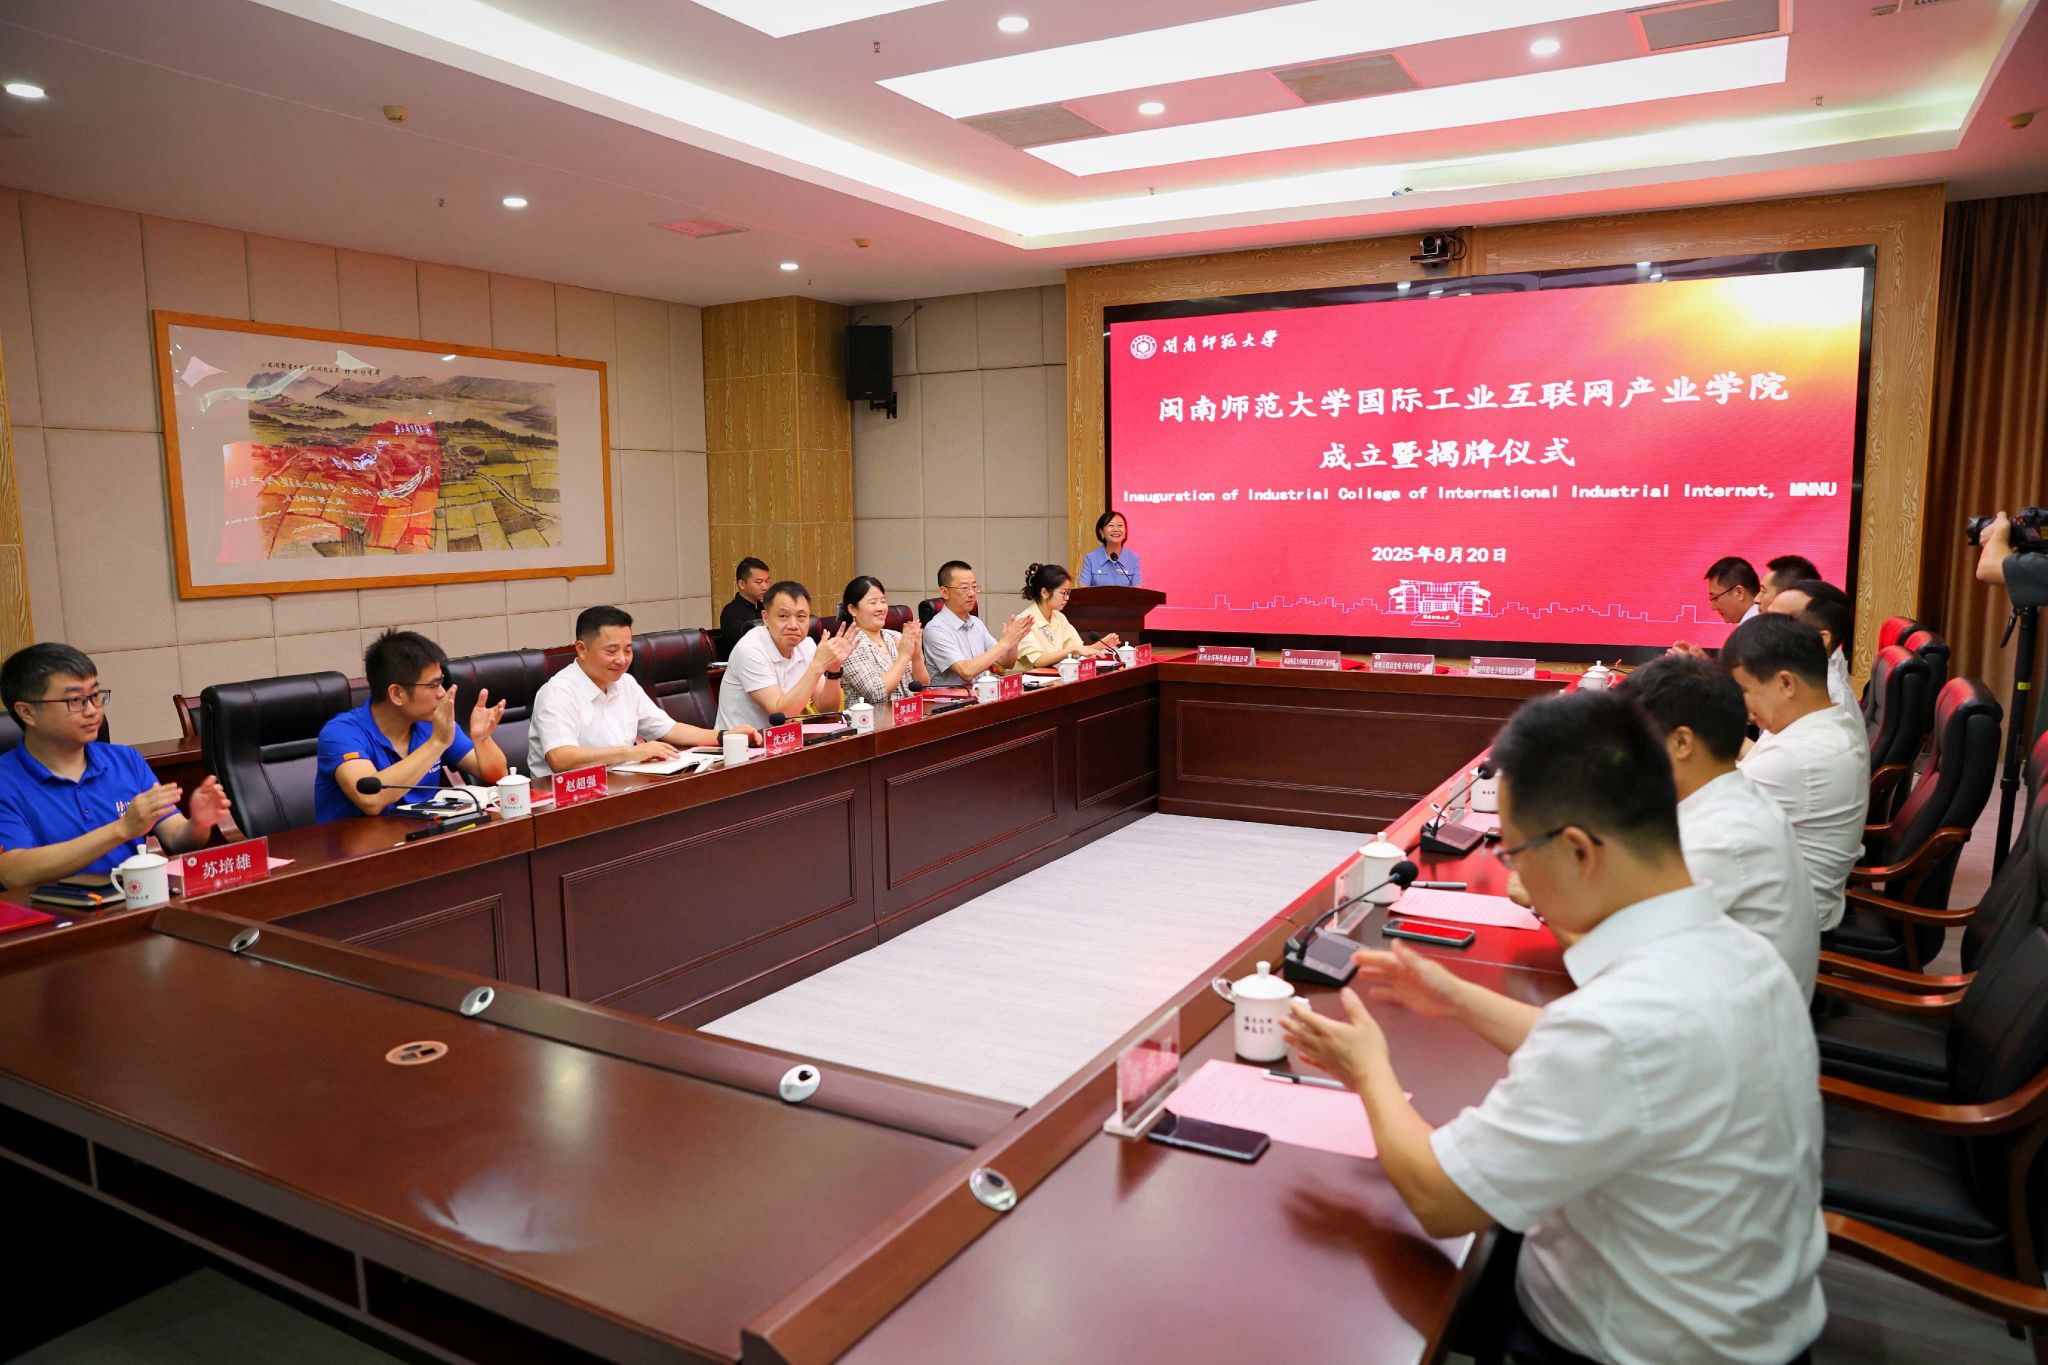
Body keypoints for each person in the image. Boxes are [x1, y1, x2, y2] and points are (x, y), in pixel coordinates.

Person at [1281, 689, 1825, 1365]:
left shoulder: (1620, 1023)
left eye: (1515, 852)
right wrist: (1457, 999)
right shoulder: (1744, 954)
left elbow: (1439, 1198)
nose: (1515, 872)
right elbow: (1623, 1069)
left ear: (1577, 850)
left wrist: (1368, 1070)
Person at [1624, 654, 1820, 999]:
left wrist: (1543, 893)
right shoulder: (1730, 793)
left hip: (1737, 1023)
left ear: (1682, 743)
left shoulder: (1720, 836)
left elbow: (1622, 951)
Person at [0, 643, 234, 887]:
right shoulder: (5, 782)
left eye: (95, 696)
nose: (92, 711)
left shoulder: (125, 760)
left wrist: (198, 823)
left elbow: (177, 839)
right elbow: (14, 872)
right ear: (27, 712)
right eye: (75, 700)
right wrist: (122, 828)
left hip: (134, 899)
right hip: (51, 909)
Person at [1723, 613, 1870, 934]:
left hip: (1779, 926)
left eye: (1744, 690)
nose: (1742, 705)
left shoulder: (1796, 757)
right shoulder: (1824, 722)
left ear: (1786, 683)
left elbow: (1704, 820)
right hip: (1794, 900)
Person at [527, 606, 745, 780]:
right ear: (581, 649)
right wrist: (630, 752)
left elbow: (668, 729)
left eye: (628, 650)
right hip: (567, 800)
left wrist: (725, 736)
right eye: (611, 651)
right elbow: (560, 758)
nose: (622, 660)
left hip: (620, 786)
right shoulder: (557, 693)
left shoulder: (625, 683)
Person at [315, 629, 511, 822]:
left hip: (424, 835)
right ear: (397, 694)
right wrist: (436, 743)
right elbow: (370, 799)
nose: (442, 693)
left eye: (441, 682)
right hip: (358, 842)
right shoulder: (341, 732)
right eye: (433, 685)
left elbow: (496, 776)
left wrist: (482, 739)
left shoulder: (430, 723)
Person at [715, 580, 853, 732]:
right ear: (765, 618)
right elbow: (780, 715)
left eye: (801, 616)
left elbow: (827, 710)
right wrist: (818, 665)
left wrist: (834, 668)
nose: (793, 625)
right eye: (783, 616)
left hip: (785, 738)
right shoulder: (750, 649)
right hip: (741, 742)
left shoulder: (807, 645)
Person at [922, 560, 1030, 686]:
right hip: (950, 698)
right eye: (964, 588)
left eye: (974, 587)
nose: (972, 594)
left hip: (982, 693)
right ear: (944, 592)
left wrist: (1013, 642)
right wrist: (1004, 644)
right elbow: (966, 672)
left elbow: (1006, 663)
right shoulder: (935, 629)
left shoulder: (976, 623)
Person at [1766, 578, 1857, 713]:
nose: (1763, 628)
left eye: (1777, 621)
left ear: (1820, 640)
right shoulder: (1793, 680)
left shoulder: (1827, 700)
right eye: (1765, 617)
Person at [835, 576, 926, 705]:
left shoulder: (896, 636)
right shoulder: (850, 646)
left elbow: (924, 686)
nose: (881, 608)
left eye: (883, 601)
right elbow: (876, 694)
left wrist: (917, 657)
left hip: (910, 712)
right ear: (853, 610)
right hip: (872, 717)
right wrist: (904, 656)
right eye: (873, 603)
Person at [1013, 563, 1121, 671]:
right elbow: (1038, 661)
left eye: (1068, 592)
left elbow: (1078, 650)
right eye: (1063, 593)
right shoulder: (1024, 621)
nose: (1067, 598)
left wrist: (1101, 645)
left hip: (1055, 675)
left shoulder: (1059, 617)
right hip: (1030, 679)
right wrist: (1072, 649)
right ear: (1045, 593)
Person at [718, 557, 772, 661]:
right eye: (759, 582)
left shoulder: (767, 607)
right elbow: (748, 645)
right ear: (742, 584)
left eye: (767, 581)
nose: (765, 587)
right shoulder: (731, 613)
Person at [1079, 511, 1142, 587]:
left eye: (1120, 525)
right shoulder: (1091, 558)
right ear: (1101, 532)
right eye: (1111, 525)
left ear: (1125, 532)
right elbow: (1083, 587)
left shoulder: (1133, 559)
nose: (1116, 529)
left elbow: (1138, 590)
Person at [1704, 555, 1762, 624]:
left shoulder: (1755, 627)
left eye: (1715, 598)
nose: (1713, 607)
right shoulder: (1763, 622)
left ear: (1739, 592)